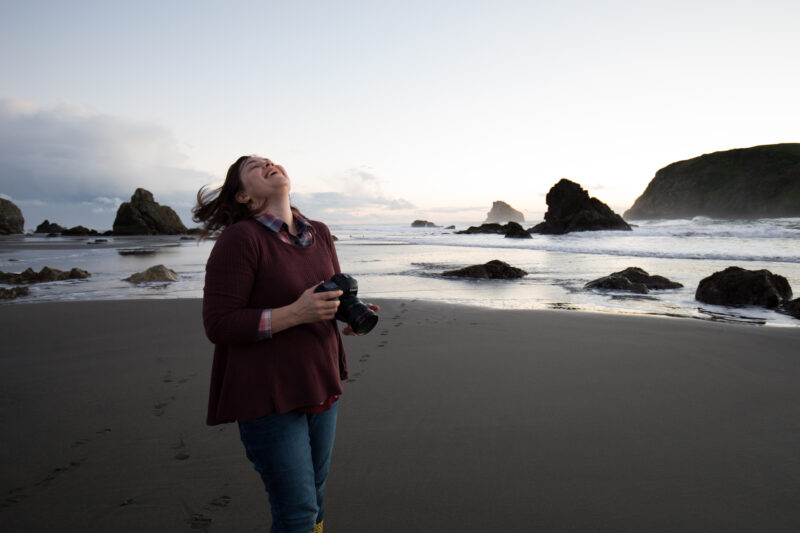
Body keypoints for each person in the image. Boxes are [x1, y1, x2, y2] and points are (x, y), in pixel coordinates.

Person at [193, 155, 378, 533]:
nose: (269, 165)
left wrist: (347, 312)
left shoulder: (320, 233)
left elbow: (325, 291)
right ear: (243, 196)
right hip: (266, 391)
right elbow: (219, 323)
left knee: (315, 497)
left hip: (318, 377)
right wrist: (295, 313)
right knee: (297, 512)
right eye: (254, 167)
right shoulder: (240, 239)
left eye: (271, 161)